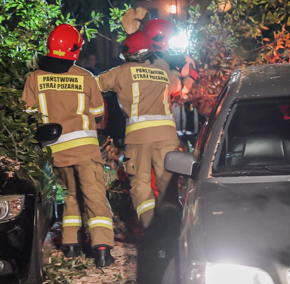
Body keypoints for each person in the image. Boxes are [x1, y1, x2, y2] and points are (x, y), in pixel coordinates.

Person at [22, 24, 115, 267]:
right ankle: (102, 251)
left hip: (55, 151)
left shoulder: (34, 78)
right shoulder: (85, 76)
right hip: (85, 149)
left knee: (70, 197)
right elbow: (97, 111)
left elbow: (27, 113)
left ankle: (71, 246)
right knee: (95, 197)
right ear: (75, 50)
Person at [97, 30, 187, 229]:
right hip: (167, 137)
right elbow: (177, 87)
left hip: (139, 139)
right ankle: (173, 231)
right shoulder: (163, 68)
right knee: (168, 187)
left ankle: (152, 229)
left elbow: (94, 85)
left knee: (140, 186)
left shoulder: (121, 72)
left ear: (128, 53)